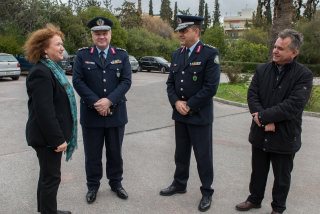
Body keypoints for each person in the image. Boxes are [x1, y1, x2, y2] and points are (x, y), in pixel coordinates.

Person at [235, 29, 313, 214]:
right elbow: (252, 95)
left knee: (282, 177)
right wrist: (261, 119)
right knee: (258, 172)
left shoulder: (304, 75)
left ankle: (278, 208)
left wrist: (263, 117)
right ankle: (254, 199)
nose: (275, 51)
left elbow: (293, 105)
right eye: (275, 46)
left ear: (294, 53)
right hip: (260, 133)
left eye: (281, 48)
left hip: (285, 137)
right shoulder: (262, 70)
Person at [160, 15, 220, 212]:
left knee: (203, 156)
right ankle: (179, 184)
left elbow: (211, 87)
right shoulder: (177, 54)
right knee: (181, 153)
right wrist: (176, 102)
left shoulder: (209, 53)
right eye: (179, 30)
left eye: (184, 30)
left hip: (199, 115)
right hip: (180, 114)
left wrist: (190, 105)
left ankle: (206, 191)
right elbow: (170, 84)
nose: (180, 34)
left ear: (196, 31)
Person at [72, 16, 132, 204]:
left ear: (110, 34)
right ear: (92, 35)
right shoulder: (82, 55)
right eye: (97, 33)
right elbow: (77, 81)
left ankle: (116, 183)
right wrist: (98, 102)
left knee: (115, 153)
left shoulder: (121, 55)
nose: (101, 37)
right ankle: (93, 186)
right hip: (92, 115)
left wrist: (109, 101)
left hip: (116, 114)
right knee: (92, 155)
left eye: (104, 33)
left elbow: (126, 81)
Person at [25, 24, 78, 214]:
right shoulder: (41, 72)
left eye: (62, 44)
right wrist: (58, 139)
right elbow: (44, 111)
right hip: (47, 139)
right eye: (58, 44)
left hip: (48, 137)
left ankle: (47, 210)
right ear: (44, 49)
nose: (62, 47)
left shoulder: (52, 70)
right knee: (51, 178)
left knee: (47, 176)